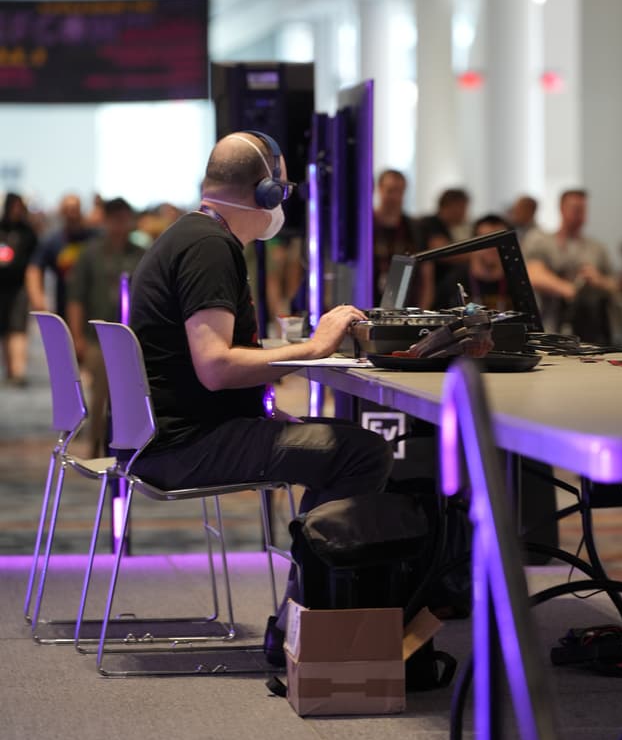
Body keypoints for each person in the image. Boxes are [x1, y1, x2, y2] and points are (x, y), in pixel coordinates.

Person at [128, 130, 394, 657]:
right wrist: (314, 349)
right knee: (364, 453)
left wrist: (292, 355)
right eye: (284, 189)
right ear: (268, 192)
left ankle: (315, 606)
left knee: (343, 439)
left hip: (174, 435)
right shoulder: (210, 248)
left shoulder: (191, 235)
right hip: (186, 445)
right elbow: (216, 367)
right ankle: (307, 620)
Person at [67, 197, 145, 457]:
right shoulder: (91, 253)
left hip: (131, 339)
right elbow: (76, 297)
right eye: (116, 218)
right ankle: (96, 447)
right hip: (96, 338)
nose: (121, 224)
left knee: (127, 396)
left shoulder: (140, 254)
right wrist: (76, 337)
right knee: (100, 393)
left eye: (125, 218)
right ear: (107, 220)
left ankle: (124, 447)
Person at [523, 188, 617, 344]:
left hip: (591, 333)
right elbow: (533, 275)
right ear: (561, 208)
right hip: (549, 330)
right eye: (575, 208)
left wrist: (599, 280)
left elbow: (614, 286)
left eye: (583, 209)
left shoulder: (596, 248)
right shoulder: (541, 240)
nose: (579, 214)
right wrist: (570, 289)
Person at [25, 193, 98, 318]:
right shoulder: (53, 241)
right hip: (64, 306)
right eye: (67, 210)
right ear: (61, 212)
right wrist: (38, 299)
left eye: (75, 209)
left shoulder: (94, 238)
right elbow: (34, 268)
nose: (72, 214)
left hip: (92, 305)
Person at [373, 169, 431, 308]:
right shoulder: (366, 227)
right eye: (390, 190)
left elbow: (427, 277)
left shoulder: (415, 229)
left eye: (399, 191)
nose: (394, 197)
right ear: (379, 189)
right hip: (367, 306)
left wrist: (421, 312)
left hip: (406, 311)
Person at [436, 213, 514, 311]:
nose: (492, 248)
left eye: (498, 242)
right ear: (474, 244)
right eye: (485, 241)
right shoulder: (453, 282)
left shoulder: (516, 282)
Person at [0, 192, 39, 385]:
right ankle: (9, 369)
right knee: (4, 328)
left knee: (18, 327)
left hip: (19, 286)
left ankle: (18, 370)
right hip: (1, 286)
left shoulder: (27, 232)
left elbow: (34, 261)